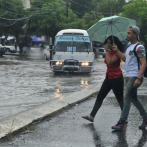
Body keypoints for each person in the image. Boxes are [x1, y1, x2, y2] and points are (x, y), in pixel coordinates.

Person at [82, 36, 125, 123]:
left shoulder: (116, 52)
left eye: (110, 43)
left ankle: (125, 117)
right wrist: (108, 51)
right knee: (100, 96)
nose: (108, 44)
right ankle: (92, 116)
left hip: (117, 78)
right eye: (107, 42)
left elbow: (109, 61)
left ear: (114, 43)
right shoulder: (109, 52)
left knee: (119, 99)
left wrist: (107, 50)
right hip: (109, 77)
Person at [112, 26, 147, 131]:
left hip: (135, 76)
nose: (127, 35)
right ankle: (145, 118)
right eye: (127, 33)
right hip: (128, 76)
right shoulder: (129, 47)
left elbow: (144, 63)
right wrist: (117, 50)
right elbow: (125, 59)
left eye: (129, 33)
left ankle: (121, 122)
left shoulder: (139, 47)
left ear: (135, 35)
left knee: (126, 97)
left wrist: (139, 78)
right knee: (133, 98)